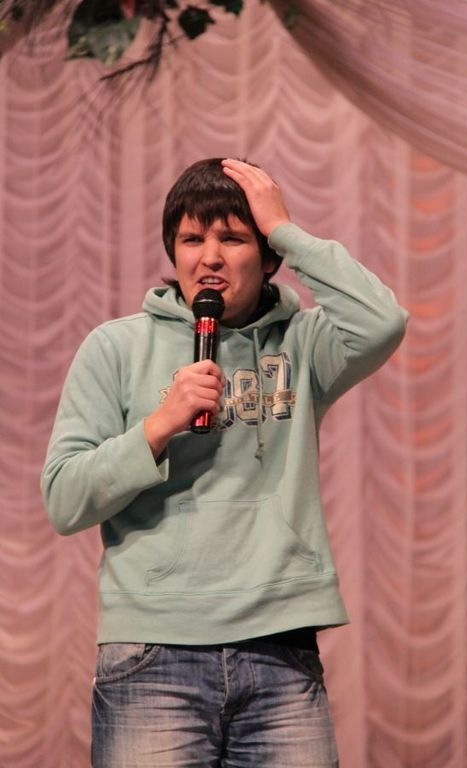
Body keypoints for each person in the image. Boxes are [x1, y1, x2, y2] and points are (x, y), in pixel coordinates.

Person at [41, 158, 407, 767]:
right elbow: (63, 499)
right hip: (153, 651)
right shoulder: (115, 347)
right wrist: (158, 426)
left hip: (280, 646)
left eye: (233, 238)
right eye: (192, 239)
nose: (208, 257)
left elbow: (382, 321)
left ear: (267, 258)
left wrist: (286, 230)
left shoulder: (304, 343)